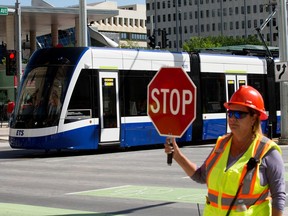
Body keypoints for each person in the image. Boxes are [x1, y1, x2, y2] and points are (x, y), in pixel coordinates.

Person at [164, 85, 286, 216]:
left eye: (239, 114)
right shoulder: (221, 145)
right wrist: (177, 155)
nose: (232, 118)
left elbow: (278, 197)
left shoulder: (268, 151)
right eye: (230, 113)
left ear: (254, 118)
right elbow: (200, 176)